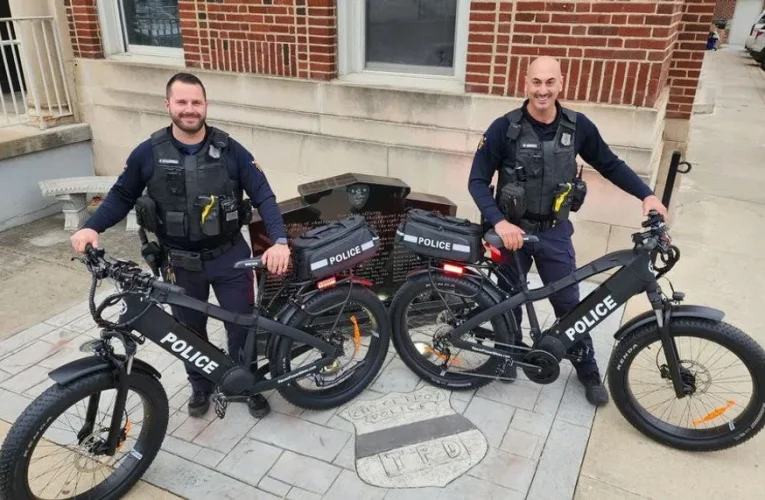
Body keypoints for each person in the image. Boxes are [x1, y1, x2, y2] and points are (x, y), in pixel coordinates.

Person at [70, 72, 291, 419]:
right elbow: (122, 195)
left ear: (205, 106)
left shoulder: (231, 149)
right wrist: (91, 227)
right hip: (180, 263)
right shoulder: (148, 153)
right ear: (168, 105)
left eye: (196, 102)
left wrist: (279, 241)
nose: (190, 109)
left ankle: (244, 382)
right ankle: (200, 387)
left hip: (230, 257)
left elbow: (264, 195)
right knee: (187, 332)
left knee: (242, 326)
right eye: (182, 102)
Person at [468, 56, 668, 406]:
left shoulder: (578, 127)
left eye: (549, 82)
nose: (542, 90)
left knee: (569, 304)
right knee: (508, 298)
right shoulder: (505, 128)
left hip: (554, 232)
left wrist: (647, 195)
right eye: (536, 82)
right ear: (525, 83)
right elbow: (477, 181)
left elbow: (610, 164)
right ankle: (507, 356)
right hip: (510, 232)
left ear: (561, 83)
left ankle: (586, 368)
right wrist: (500, 222)